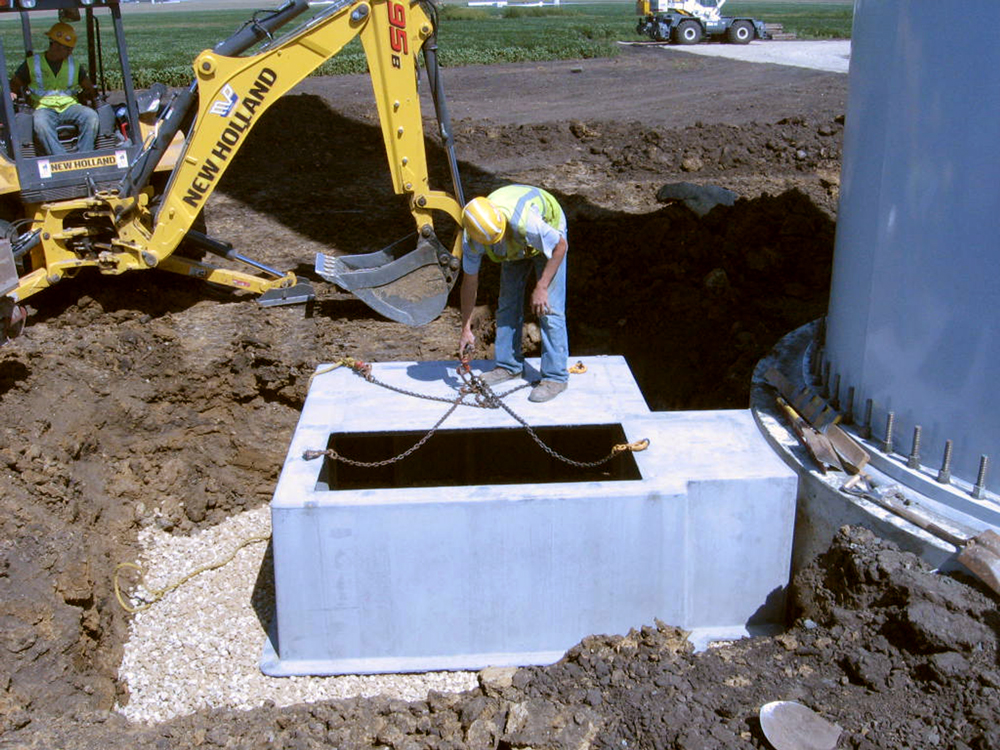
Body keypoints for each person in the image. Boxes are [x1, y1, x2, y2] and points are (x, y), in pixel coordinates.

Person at [459, 184, 569, 403]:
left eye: (500, 238)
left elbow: (560, 247)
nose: (498, 243)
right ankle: (509, 366)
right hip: (517, 245)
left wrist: (542, 286)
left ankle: (555, 377)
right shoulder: (472, 238)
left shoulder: (527, 223)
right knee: (508, 304)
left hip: (548, 234)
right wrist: (465, 329)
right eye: (494, 243)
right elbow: (469, 282)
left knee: (549, 308)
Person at [9, 22, 99, 156]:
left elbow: (88, 87)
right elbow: (14, 84)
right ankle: (61, 159)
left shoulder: (74, 65)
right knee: (40, 123)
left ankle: (84, 157)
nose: (70, 52)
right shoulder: (33, 64)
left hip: (70, 107)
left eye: (71, 49)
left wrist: (92, 95)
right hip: (43, 109)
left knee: (91, 116)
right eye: (67, 48)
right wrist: (12, 93)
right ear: (55, 44)